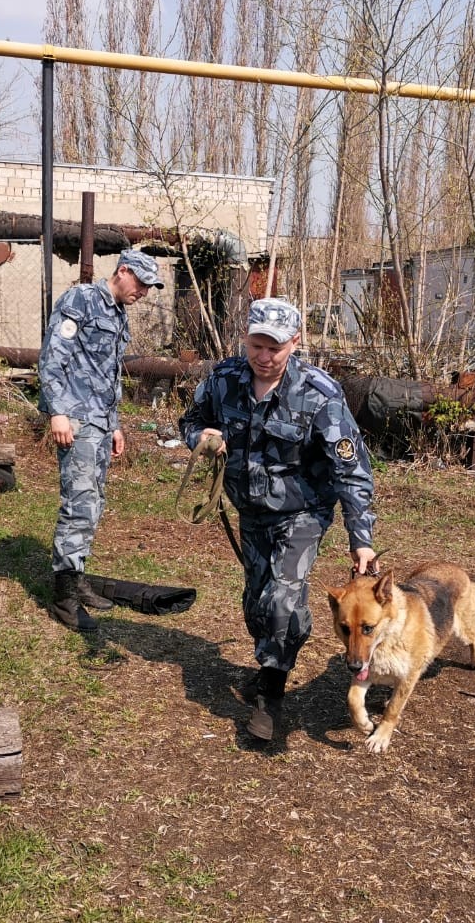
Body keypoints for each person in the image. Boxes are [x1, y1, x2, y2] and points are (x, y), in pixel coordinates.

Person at [180, 297, 376, 740]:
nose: (264, 358)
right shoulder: (224, 379)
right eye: (257, 346)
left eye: (275, 348)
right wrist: (202, 435)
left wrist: (360, 538)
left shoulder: (320, 392)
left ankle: (272, 691)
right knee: (257, 599)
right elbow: (190, 420)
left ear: (295, 342)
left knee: (282, 598)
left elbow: (352, 469)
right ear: (246, 339)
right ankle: (272, 655)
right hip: (250, 511)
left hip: (302, 512)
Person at [38, 248, 163, 631]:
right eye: (140, 282)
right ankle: (64, 599)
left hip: (100, 424)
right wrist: (57, 411)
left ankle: (77, 581)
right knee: (79, 503)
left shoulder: (116, 312)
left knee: (93, 502)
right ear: (122, 271)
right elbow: (52, 357)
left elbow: (107, 375)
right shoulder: (82, 299)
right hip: (75, 421)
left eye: (148, 287)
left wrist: (116, 424)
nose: (142, 292)